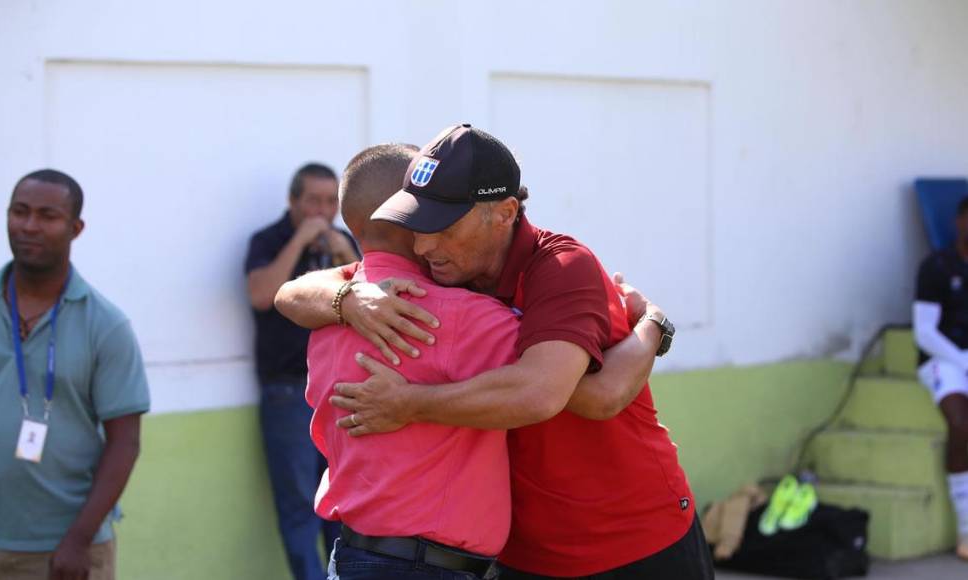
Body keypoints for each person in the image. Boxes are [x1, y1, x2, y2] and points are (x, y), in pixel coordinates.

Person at [276, 124, 712, 579]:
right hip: (525, 553)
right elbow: (291, 293)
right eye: (416, 223)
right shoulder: (440, 271)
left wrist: (653, 326)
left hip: (631, 539)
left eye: (441, 226)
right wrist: (349, 299)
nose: (423, 245)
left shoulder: (562, 267)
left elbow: (579, 396)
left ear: (504, 213)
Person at [308, 143, 520, 579]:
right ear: (411, 220)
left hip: (349, 558)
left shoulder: (324, 314)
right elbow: (567, 374)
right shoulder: (466, 317)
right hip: (424, 567)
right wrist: (647, 326)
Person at [0, 169, 150, 580]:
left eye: (47, 215)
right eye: (19, 212)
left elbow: (125, 442)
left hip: (66, 549)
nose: (29, 226)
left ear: (76, 228)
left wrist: (78, 540)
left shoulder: (105, 325)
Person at [245, 162, 359, 579]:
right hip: (288, 393)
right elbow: (261, 294)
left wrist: (345, 251)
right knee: (299, 510)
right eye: (313, 200)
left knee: (342, 506)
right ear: (293, 200)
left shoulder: (344, 242)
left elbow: (375, 291)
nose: (322, 210)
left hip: (340, 393)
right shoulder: (269, 240)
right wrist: (300, 240)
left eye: (332, 202)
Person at [913, 196, 968, 561]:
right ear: (960, 222)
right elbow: (924, 332)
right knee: (961, 424)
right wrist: (961, 358)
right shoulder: (937, 266)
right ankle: (966, 528)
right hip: (942, 361)